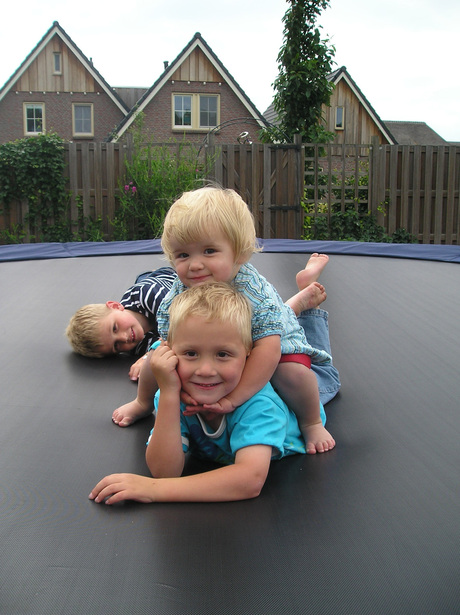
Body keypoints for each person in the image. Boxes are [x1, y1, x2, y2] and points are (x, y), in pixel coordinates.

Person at [112, 186, 336, 455]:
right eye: (183, 255)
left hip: (268, 342)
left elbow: (269, 350)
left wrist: (233, 399)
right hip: (220, 347)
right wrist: (171, 383)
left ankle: (311, 422)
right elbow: (167, 340)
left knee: (293, 374)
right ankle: (142, 402)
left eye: (208, 251)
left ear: (239, 252)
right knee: (154, 358)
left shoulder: (254, 292)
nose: (194, 265)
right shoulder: (179, 289)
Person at [89, 283, 335, 505]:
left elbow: (248, 480)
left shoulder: (261, 406)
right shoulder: (175, 394)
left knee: (315, 370)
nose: (205, 371)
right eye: (191, 354)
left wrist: (153, 490)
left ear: (248, 354)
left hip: (302, 393)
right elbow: (164, 470)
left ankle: (310, 311)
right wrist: (169, 393)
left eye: (223, 354)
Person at [65, 267, 176, 380]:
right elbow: (172, 345)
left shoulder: (148, 293)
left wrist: (149, 356)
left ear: (115, 306)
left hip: (167, 280)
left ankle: (151, 274)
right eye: (116, 345)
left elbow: (183, 323)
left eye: (115, 328)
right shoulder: (134, 347)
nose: (124, 338)